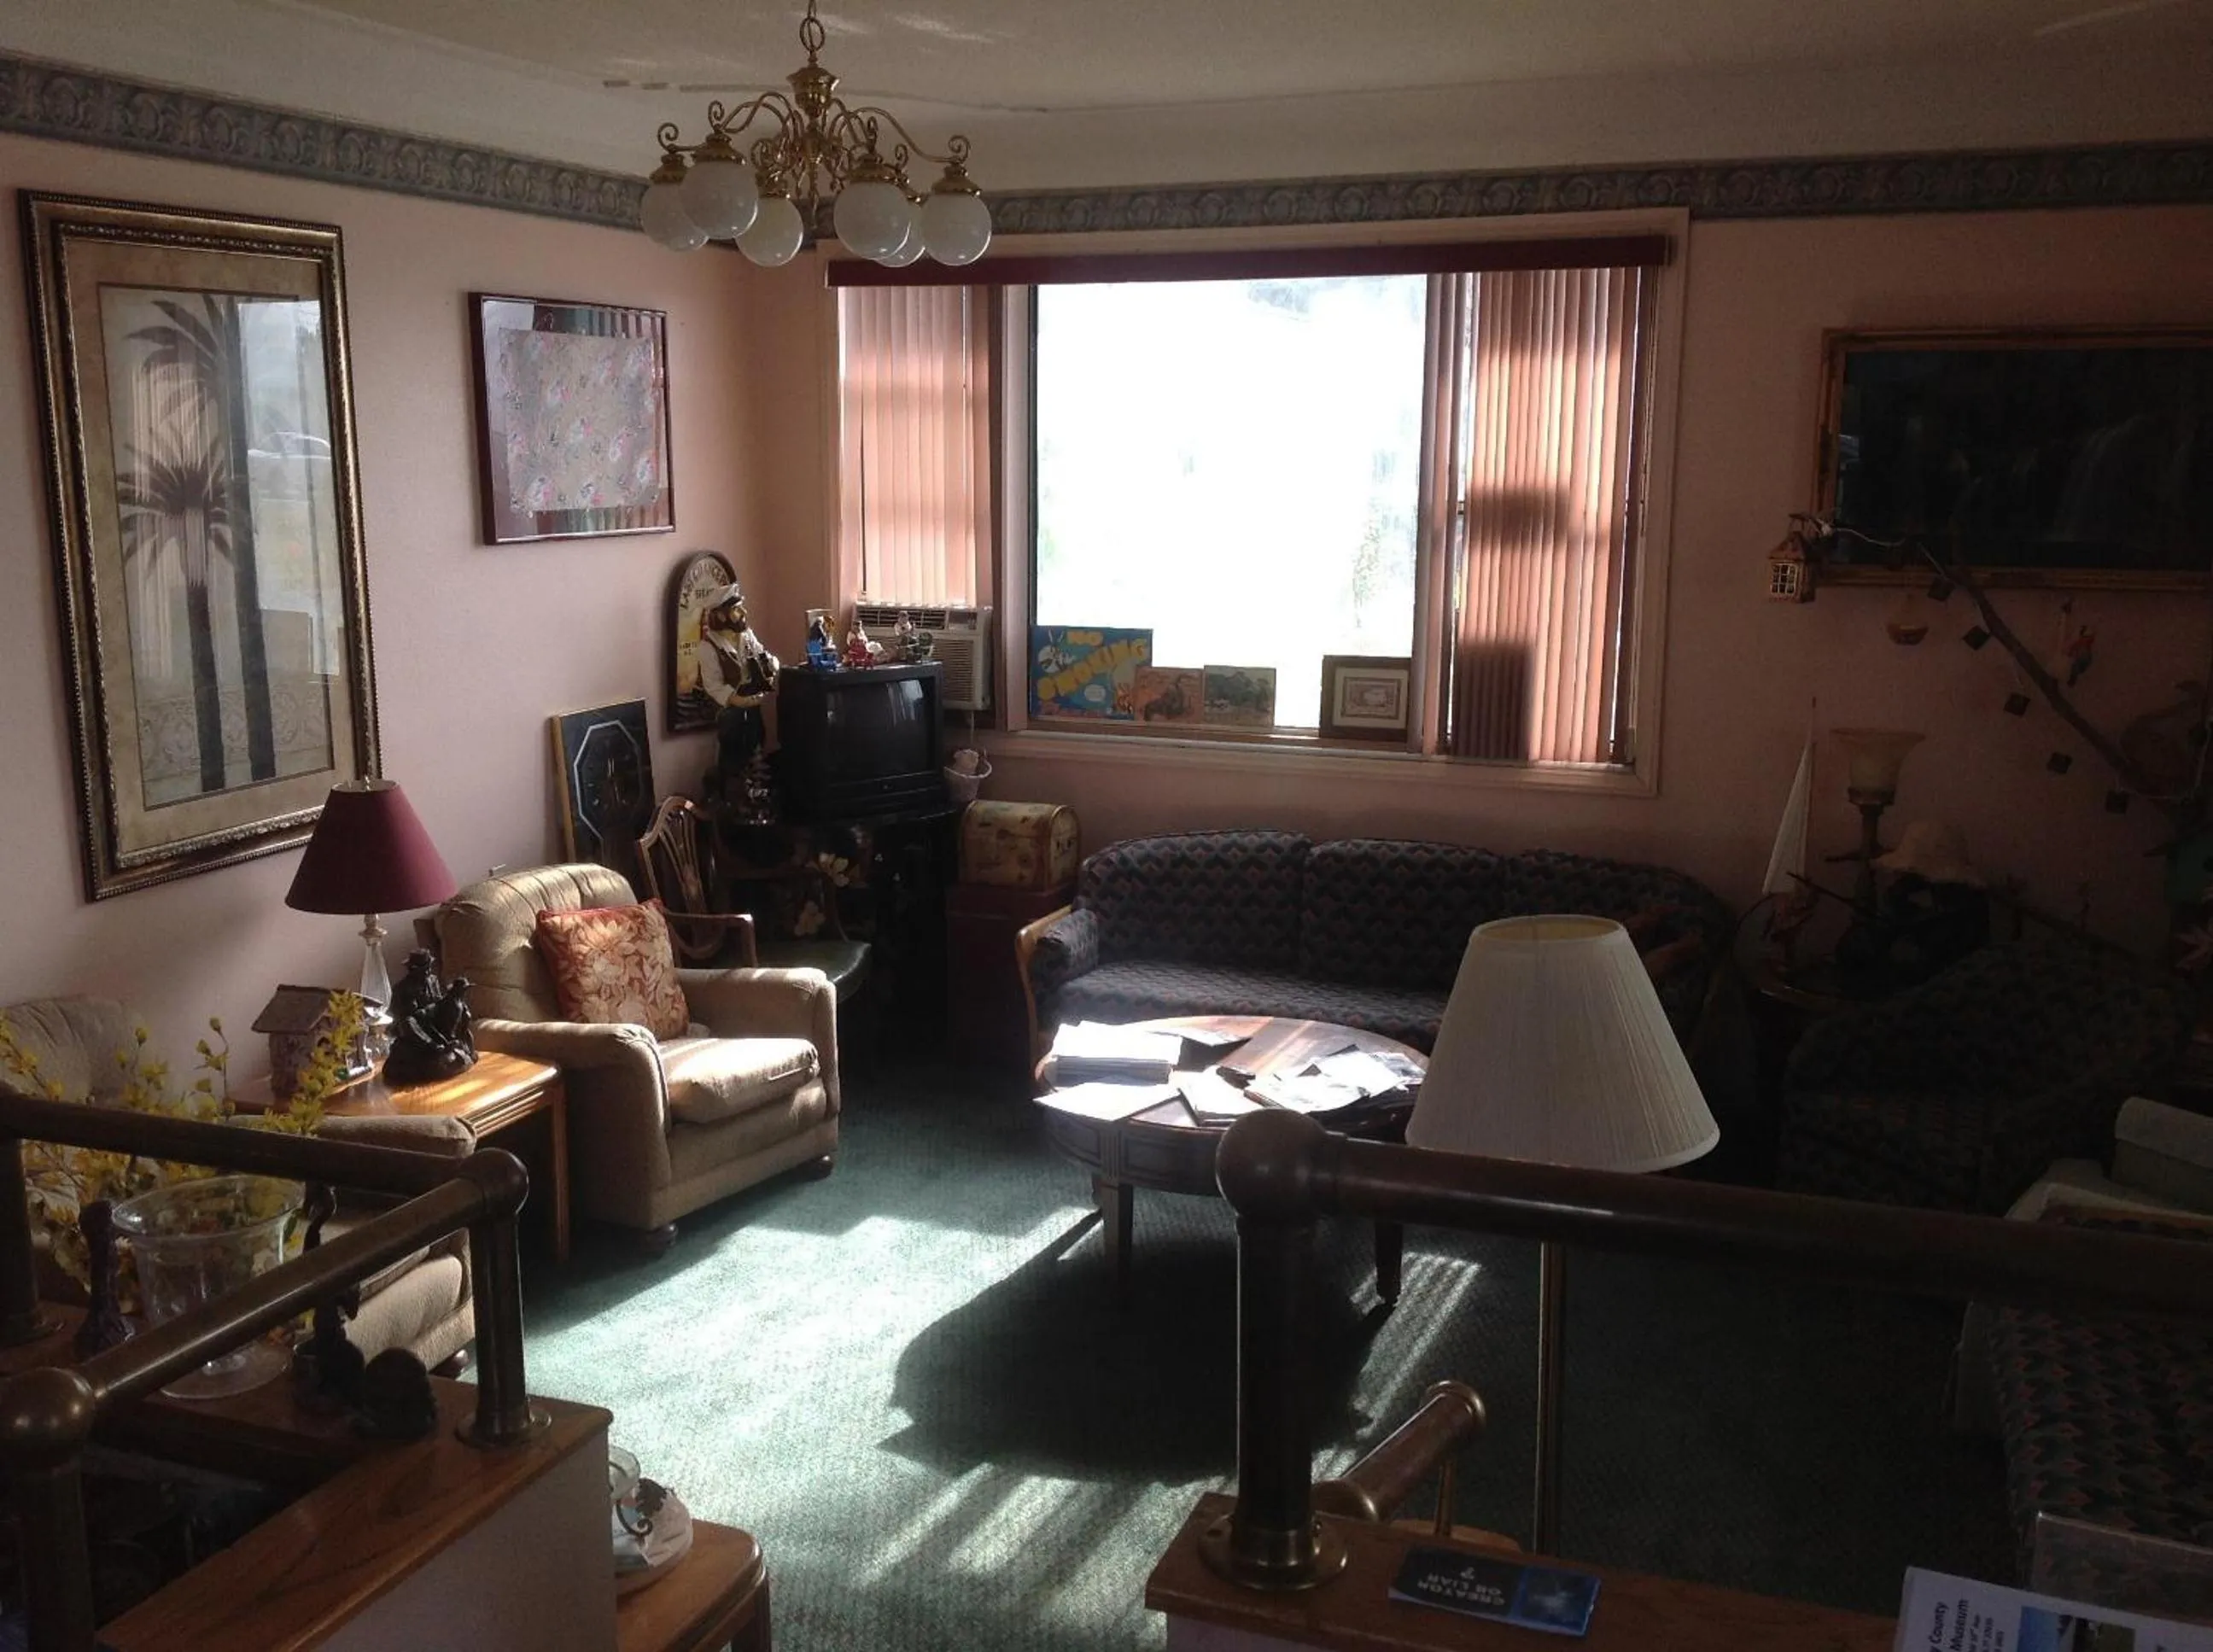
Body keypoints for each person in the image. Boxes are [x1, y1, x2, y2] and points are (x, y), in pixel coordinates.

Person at [697, 582, 780, 805]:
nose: (743, 613)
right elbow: (713, 685)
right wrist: (737, 700)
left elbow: (766, 656)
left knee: (757, 752)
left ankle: (758, 800)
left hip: (752, 708)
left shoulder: (746, 636)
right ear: (722, 616)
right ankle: (733, 805)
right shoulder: (708, 647)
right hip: (732, 713)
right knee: (734, 759)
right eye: (736, 610)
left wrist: (770, 668)